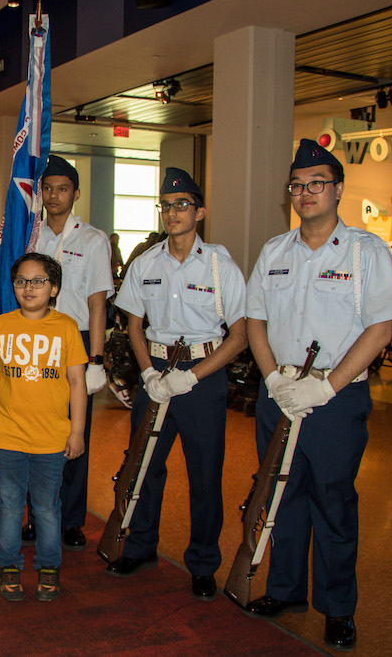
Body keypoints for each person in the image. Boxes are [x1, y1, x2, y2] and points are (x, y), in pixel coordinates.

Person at [244, 139, 392, 650]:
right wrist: (273, 381)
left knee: (333, 504)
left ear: (338, 190)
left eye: (317, 184)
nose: (306, 193)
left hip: (336, 399)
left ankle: (338, 609)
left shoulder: (365, 251)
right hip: (280, 391)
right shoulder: (275, 251)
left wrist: (325, 387)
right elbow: (255, 322)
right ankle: (285, 589)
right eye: (297, 185)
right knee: (282, 496)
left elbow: (380, 328)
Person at [108, 168, 248, 600]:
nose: (172, 213)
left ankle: (204, 563)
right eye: (166, 206)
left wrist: (192, 375)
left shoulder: (221, 264)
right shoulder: (146, 262)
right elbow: (133, 324)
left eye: (182, 205)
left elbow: (239, 335)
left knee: (204, 475)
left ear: (200, 212)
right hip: (155, 374)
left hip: (201, 379)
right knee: (144, 465)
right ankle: (141, 546)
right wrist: (149, 371)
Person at [0, 253, 88, 602]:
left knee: (46, 507)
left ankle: (49, 566)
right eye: (22, 281)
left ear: (53, 288)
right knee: (9, 504)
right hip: (8, 436)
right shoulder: (0, 325)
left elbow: (77, 383)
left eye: (38, 281)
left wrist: (77, 431)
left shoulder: (67, 327)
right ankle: (8, 564)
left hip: (52, 439)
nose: (29, 288)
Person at [24, 155, 113, 550]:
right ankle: (33, 516)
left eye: (62, 189)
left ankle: (71, 519)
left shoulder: (93, 240)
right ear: (40, 193)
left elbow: (97, 305)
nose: (54, 195)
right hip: (34, 337)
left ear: (75, 194)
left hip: (75, 341)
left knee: (75, 433)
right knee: (34, 430)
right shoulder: (31, 236)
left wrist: (96, 360)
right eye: (48, 188)